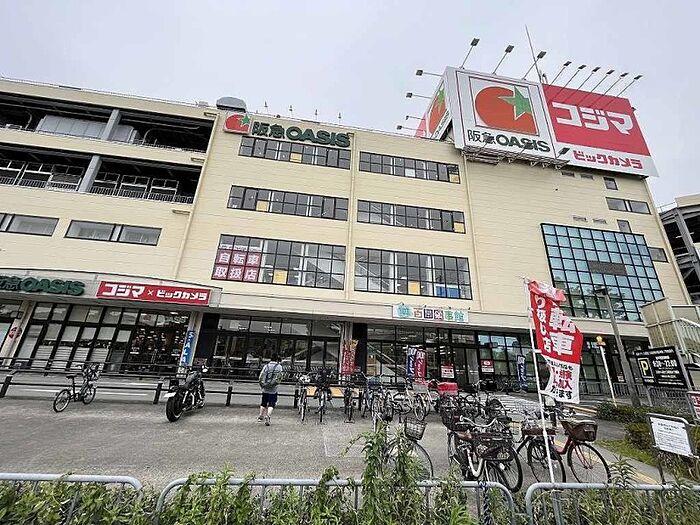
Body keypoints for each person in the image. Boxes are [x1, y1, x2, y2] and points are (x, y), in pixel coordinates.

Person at [258, 353, 283, 426]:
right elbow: (280, 376)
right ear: (277, 359)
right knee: (272, 403)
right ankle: (268, 415)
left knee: (263, 402)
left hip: (265, 387)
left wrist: (262, 384)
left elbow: (261, 376)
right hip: (274, 388)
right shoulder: (279, 367)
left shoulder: (266, 366)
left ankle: (261, 416)